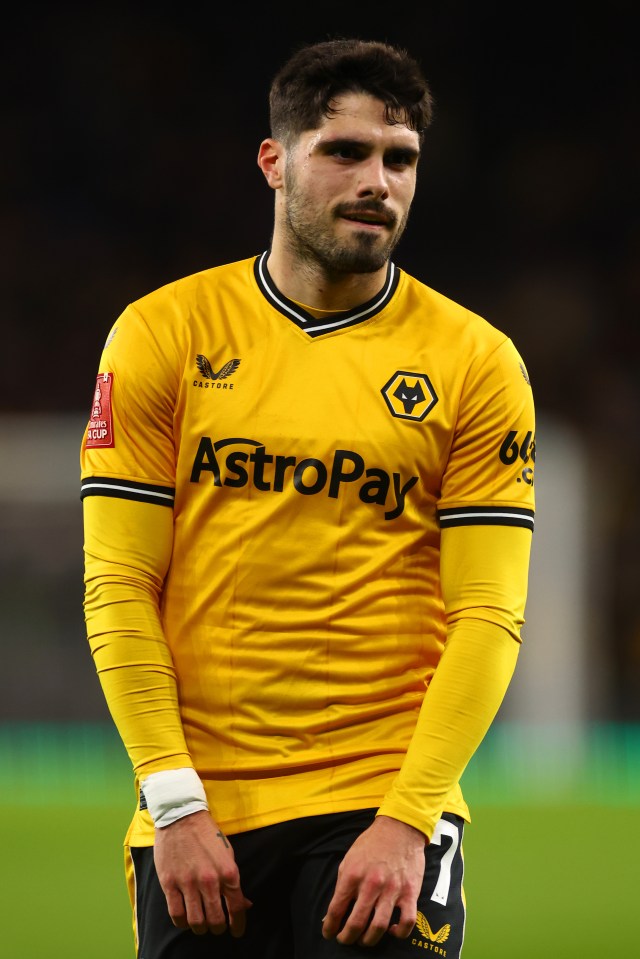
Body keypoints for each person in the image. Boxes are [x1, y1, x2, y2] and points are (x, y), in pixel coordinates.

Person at [80, 36, 536, 958]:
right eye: (346, 151)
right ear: (275, 161)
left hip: (383, 802)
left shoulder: (476, 361)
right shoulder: (162, 333)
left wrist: (410, 820)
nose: (379, 180)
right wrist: (172, 800)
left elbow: (489, 612)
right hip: (200, 807)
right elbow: (120, 582)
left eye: (400, 159)